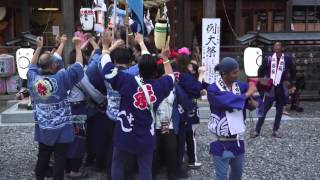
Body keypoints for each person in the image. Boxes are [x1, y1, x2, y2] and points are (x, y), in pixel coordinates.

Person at [100, 30, 174, 180]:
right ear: (156, 71)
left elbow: (106, 68)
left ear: (138, 68)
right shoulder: (160, 86)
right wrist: (165, 58)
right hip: (146, 134)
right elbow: (171, 77)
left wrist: (106, 47)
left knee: (118, 163)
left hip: (124, 132)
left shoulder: (127, 80)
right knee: (145, 168)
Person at [28, 36, 84, 180]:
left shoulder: (34, 79)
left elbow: (31, 66)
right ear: (53, 66)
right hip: (61, 127)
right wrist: (78, 47)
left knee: (43, 155)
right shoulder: (61, 77)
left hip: (43, 126)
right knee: (60, 158)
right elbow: (78, 66)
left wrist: (39, 47)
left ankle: (39, 178)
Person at [207, 57, 257, 180]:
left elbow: (253, 99)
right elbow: (229, 101)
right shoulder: (213, 89)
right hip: (220, 141)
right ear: (224, 73)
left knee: (237, 174)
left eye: (237, 71)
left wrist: (253, 103)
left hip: (238, 139)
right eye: (234, 72)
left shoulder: (240, 86)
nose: (237, 74)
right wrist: (247, 94)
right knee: (221, 176)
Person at [251, 42, 296, 138]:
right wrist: (262, 80)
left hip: (281, 86)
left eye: (279, 45)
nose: (276, 47)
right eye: (275, 45)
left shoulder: (287, 59)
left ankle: (275, 130)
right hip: (270, 86)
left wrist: (290, 82)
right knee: (264, 108)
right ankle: (257, 130)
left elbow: (293, 71)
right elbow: (261, 70)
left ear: (282, 48)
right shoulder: (269, 58)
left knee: (279, 110)